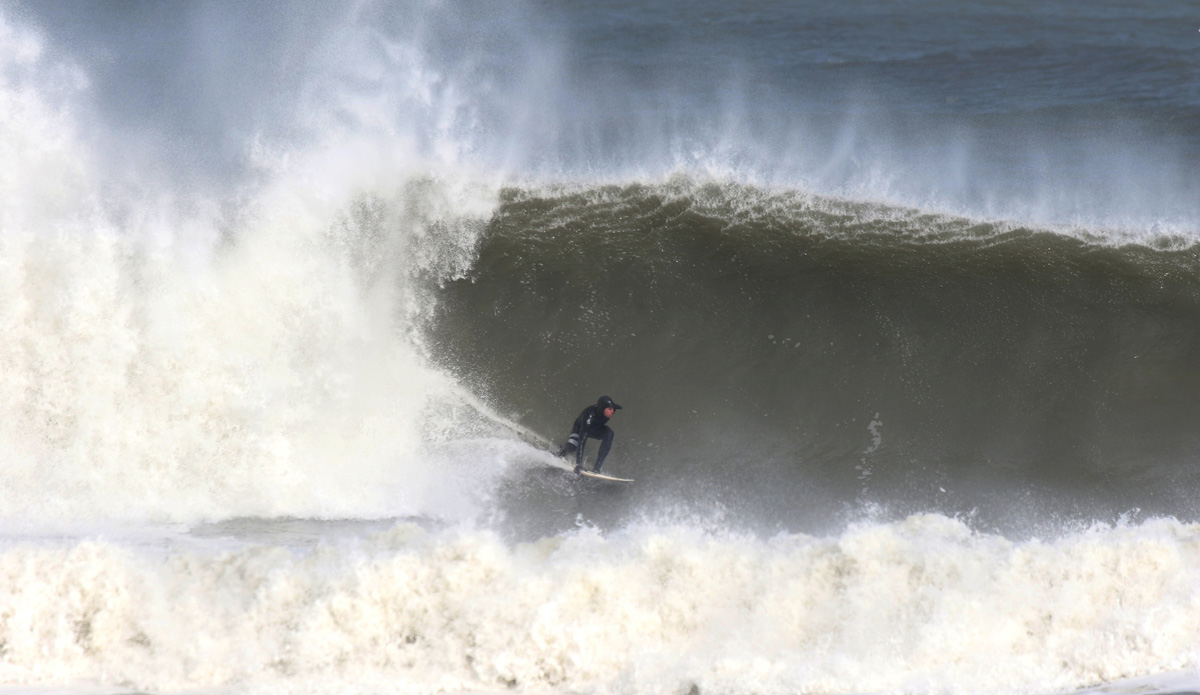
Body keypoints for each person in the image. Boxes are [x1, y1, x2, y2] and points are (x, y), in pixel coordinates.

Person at [555, 396, 622, 474]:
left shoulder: (606, 411)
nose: (612, 412)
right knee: (572, 448)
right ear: (602, 408)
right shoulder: (588, 419)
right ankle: (559, 455)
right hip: (580, 427)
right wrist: (578, 464)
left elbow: (614, 408)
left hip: (595, 428)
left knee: (609, 433)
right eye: (610, 409)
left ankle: (597, 468)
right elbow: (582, 442)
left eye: (613, 409)